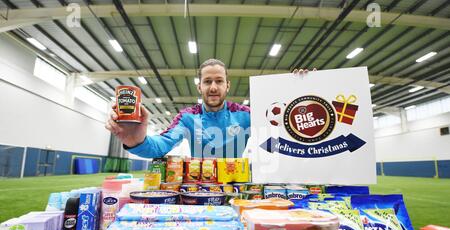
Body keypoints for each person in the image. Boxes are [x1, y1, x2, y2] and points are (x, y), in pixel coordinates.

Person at [105, 58, 313, 158]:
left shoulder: (245, 115)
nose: (213, 87)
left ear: (227, 85)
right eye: (207, 82)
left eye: (219, 81)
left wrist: (302, 90)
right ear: (199, 86)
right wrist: (135, 141)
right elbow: (160, 145)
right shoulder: (187, 118)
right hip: (199, 188)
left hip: (235, 187)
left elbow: (287, 126)